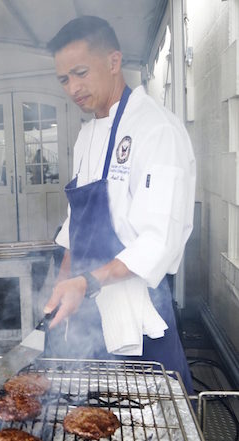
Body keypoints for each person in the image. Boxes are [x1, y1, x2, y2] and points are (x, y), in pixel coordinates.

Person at [42, 16, 195, 393]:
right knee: (91, 423)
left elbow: (159, 240)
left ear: (113, 62)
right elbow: (75, 225)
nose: (73, 88)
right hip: (88, 311)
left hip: (138, 315)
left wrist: (87, 281)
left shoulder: (157, 129)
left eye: (80, 73)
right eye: (64, 79)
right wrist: (63, 282)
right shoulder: (87, 136)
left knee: (151, 431)